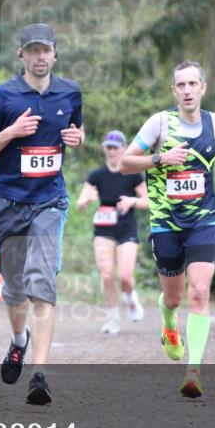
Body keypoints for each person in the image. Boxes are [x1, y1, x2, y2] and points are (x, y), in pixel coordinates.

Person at [0, 23, 84, 405]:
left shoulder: (70, 92)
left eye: (45, 50)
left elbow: (74, 131)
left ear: (55, 53)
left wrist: (77, 139)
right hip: (7, 203)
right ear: (21, 54)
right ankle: (19, 341)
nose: (39, 57)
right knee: (15, 289)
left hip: (50, 201)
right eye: (32, 50)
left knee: (41, 282)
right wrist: (11, 133)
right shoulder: (3, 97)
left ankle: (40, 375)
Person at [121, 60, 215, 398]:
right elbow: (125, 162)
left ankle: (194, 370)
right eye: (181, 85)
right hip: (166, 223)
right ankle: (168, 320)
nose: (188, 91)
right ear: (174, 91)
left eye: (193, 84)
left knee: (199, 293)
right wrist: (160, 159)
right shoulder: (159, 123)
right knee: (174, 298)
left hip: (204, 221)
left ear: (203, 88)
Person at [75, 130, 149, 334]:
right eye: (108, 147)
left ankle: (131, 298)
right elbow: (80, 203)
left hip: (126, 226)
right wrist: (86, 201)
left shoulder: (132, 174)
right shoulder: (96, 175)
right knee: (107, 274)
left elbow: (149, 201)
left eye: (116, 147)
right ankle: (113, 319)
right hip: (103, 227)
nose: (112, 151)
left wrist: (132, 201)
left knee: (124, 275)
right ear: (104, 149)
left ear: (124, 149)